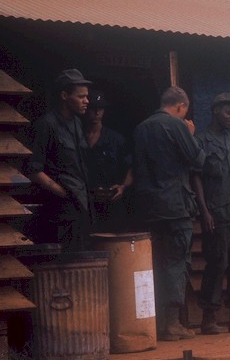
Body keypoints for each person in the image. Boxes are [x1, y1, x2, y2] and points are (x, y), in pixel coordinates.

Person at [132, 86, 205, 342]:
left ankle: (154, 323)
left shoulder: (141, 128)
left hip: (150, 209)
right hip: (175, 207)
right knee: (176, 262)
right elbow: (198, 160)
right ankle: (172, 324)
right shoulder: (176, 126)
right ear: (180, 107)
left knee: (154, 264)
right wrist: (191, 134)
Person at [192, 92, 230, 335]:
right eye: (229, 112)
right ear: (215, 111)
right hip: (216, 213)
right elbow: (195, 176)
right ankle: (209, 319)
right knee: (217, 264)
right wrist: (204, 211)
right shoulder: (201, 141)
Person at [24, 68, 93, 251]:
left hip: (80, 208)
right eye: (81, 96)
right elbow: (34, 170)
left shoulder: (78, 124)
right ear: (64, 95)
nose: (87, 101)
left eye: (86, 96)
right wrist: (61, 192)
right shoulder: (46, 125)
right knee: (64, 265)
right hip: (58, 214)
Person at [82, 90, 132, 233]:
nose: (97, 113)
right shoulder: (76, 137)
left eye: (100, 109)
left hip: (111, 204)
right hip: (85, 202)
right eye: (93, 109)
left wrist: (123, 186)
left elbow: (131, 166)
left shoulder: (116, 139)